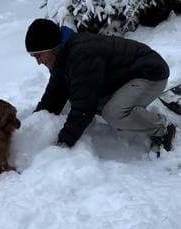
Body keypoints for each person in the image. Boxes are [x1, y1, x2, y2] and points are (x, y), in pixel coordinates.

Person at [25, 18, 176, 156]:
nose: (38, 62)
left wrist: (64, 143)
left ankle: (162, 128)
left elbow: (84, 108)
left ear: (51, 46)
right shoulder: (62, 57)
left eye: (39, 55)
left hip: (150, 74)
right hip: (126, 77)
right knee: (83, 99)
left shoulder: (81, 54)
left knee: (114, 113)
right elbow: (54, 94)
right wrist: (34, 124)